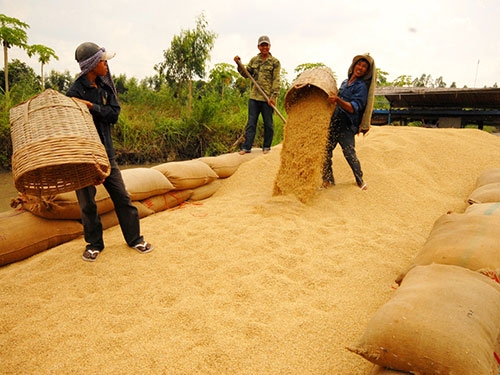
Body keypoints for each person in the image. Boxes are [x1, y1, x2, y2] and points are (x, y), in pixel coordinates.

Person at [67, 42, 153, 262]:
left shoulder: (105, 88)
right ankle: (94, 244)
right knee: (87, 203)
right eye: (103, 61)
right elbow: (69, 123)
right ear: (92, 64)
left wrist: (92, 107)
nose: (106, 65)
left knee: (122, 197)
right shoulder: (74, 92)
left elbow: (114, 114)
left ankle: (135, 239)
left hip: (106, 153)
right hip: (84, 156)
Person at [321, 53, 375, 191]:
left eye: (364, 67)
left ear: (367, 72)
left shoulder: (361, 87)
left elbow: (353, 108)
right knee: (325, 152)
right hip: (335, 121)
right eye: (359, 64)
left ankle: (360, 180)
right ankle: (328, 180)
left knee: (349, 153)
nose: (361, 68)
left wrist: (338, 100)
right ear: (353, 66)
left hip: (346, 124)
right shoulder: (345, 83)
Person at [234, 35, 281, 155]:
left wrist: (273, 97)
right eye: (262, 45)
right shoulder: (254, 60)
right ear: (258, 47)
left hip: (267, 98)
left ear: (269, 46)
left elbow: (276, 80)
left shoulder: (275, 62)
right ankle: (246, 147)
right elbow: (246, 74)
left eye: (266, 45)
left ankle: (266, 146)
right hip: (254, 97)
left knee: (268, 124)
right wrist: (239, 64)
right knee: (251, 123)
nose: (264, 47)